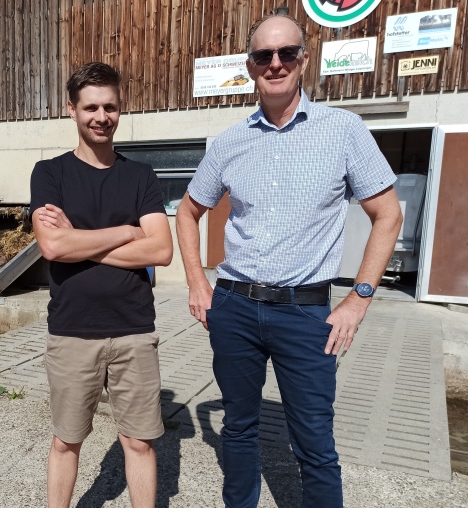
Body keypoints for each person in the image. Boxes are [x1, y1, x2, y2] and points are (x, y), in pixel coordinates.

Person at [176, 13, 403, 508]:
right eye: (263, 55)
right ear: (250, 65)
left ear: (304, 58)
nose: (274, 64)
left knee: (315, 445)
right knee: (238, 428)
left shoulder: (343, 130)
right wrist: (197, 282)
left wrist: (359, 298)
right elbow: (189, 212)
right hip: (234, 307)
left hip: (306, 315)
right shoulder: (230, 142)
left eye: (285, 53)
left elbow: (388, 215)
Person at [30, 62, 173, 508]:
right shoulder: (49, 173)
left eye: (110, 106)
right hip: (72, 331)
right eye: (90, 106)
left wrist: (79, 239)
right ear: (71, 110)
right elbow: (52, 246)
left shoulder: (141, 176)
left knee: (139, 442)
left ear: (120, 109)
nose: (101, 115)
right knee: (66, 440)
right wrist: (126, 232)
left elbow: (161, 251)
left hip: (133, 329)